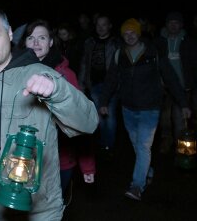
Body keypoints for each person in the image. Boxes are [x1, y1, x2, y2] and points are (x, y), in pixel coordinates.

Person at [0, 7, 99, 221]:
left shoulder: (40, 75)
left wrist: (57, 92)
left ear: (10, 34)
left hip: (37, 213)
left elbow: (89, 122)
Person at [99, 18, 190, 201]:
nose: (129, 36)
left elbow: (171, 78)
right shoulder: (120, 55)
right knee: (137, 145)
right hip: (128, 109)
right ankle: (148, 171)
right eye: (126, 33)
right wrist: (103, 101)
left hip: (150, 108)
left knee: (142, 146)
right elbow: (111, 80)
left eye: (133, 32)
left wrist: (184, 103)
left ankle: (137, 186)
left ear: (138, 33)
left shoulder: (153, 52)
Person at [18, 19, 96, 206]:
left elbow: (82, 121)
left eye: (42, 38)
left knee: (51, 208)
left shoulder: (66, 75)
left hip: (59, 161)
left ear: (51, 42)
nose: (36, 43)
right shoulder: (14, 74)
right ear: (24, 43)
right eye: (31, 38)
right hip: (22, 161)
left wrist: (87, 166)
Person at [78, 14, 121, 157]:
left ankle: (110, 144)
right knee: (100, 115)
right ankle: (105, 142)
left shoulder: (116, 43)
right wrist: (82, 82)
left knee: (111, 115)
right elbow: (85, 62)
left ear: (109, 26)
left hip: (112, 85)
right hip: (95, 84)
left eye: (104, 24)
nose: (101, 28)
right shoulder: (90, 42)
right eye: (98, 25)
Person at [154, 11, 196, 153]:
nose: (173, 25)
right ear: (166, 24)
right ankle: (166, 142)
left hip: (184, 88)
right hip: (164, 88)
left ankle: (183, 151)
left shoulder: (189, 42)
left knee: (181, 120)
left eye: (176, 22)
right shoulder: (159, 42)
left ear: (181, 25)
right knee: (164, 119)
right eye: (170, 22)